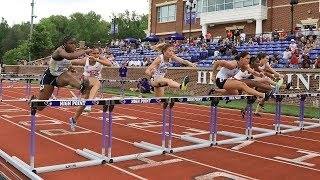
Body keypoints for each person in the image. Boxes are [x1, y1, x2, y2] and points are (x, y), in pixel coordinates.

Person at [35, 36, 92, 130]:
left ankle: (82, 87)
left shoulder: (72, 52)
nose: (74, 45)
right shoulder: (59, 50)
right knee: (40, 107)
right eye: (71, 43)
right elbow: (69, 57)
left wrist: (71, 68)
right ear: (65, 44)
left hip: (60, 77)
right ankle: (34, 100)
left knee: (67, 76)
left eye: (75, 43)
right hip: (49, 78)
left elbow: (67, 62)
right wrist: (85, 51)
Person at [70, 47, 112, 116]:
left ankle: (76, 116)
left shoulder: (100, 58)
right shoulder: (85, 60)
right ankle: (89, 103)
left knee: (88, 97)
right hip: (85, 80)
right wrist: (71, 68)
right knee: (97, 83)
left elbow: (109, 64)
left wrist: (97, 60)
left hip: (95, 83)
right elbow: (72, 62)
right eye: (94, 53)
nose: (96, 55)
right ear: (90, 54)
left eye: (97, 53)